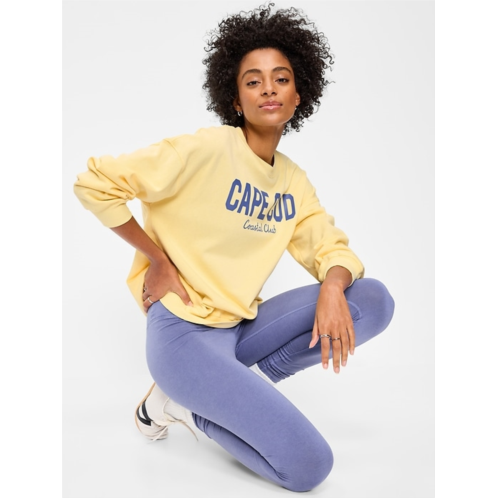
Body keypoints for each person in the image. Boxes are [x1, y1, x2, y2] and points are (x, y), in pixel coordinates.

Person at [73, 3, 395, 493]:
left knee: (371, 299)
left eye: (281, 78)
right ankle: (185, 404)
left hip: (238, 328)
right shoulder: (206, 149)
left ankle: (234, 384)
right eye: (253, 81)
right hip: (182, 335)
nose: (268, 88)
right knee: (310, 466)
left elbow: (332, 248)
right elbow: (95, 184)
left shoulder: (293, 182)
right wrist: (157, 258)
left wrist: (332, 285)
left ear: (298, 95)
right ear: (236, 100)